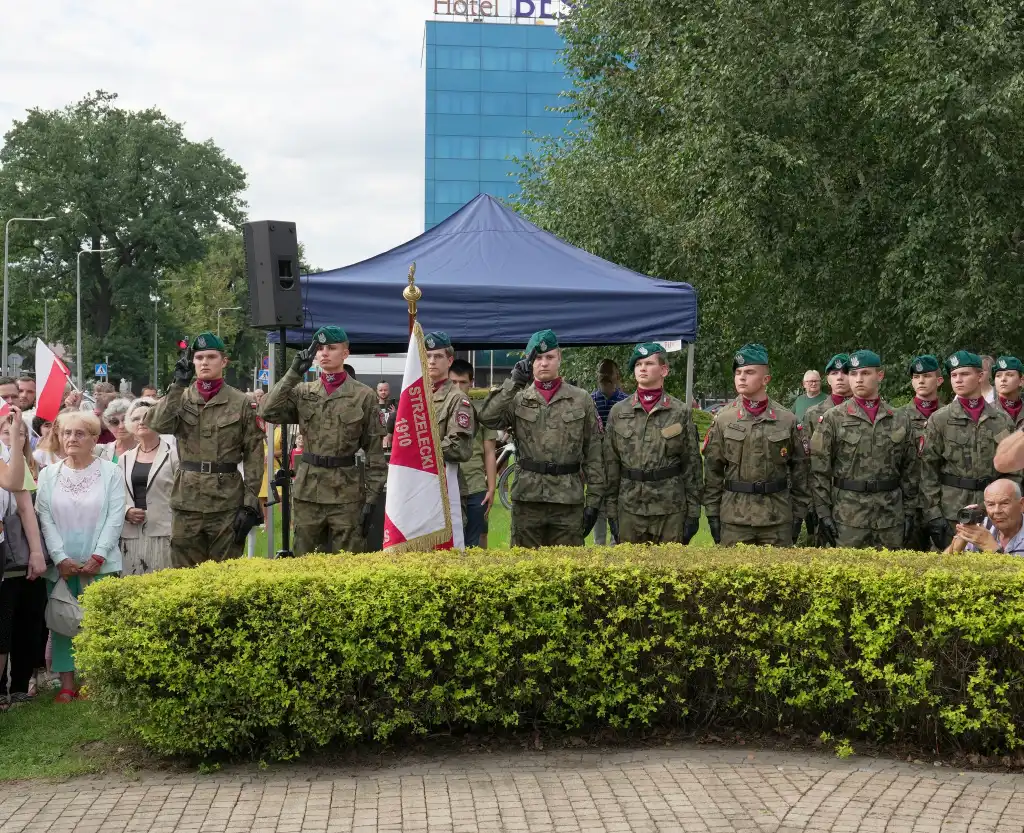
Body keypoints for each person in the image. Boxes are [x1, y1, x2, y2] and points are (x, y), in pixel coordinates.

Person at [261, 326, 385, 555]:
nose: (324, 353)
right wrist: (293, 373)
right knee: (303, 557)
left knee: (348, 559)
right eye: (319, 349)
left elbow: (375, 451)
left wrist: (372, 497)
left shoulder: (363, 395)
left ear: (345, 353)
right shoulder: (302, 391)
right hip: (309, 488)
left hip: (346, 491)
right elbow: (267, 411)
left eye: (331, 348)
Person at [145, 332, 264, 567]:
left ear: (224, 361)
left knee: (225, 573)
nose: (204, 362)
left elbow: (254, 454)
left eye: (211, 357)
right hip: (187, 501)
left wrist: (250, 503)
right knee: (184, 573)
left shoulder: (241, 403)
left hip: (226, 500)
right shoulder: (181, 398)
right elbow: (157, 424)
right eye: (199, 358)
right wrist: (178, 384)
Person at [478, 329, 605, 547]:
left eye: (549, 357)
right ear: (528, 361)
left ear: (559, 358)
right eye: (537, 358)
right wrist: (513, 382)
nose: (543, 363)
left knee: (568, 570)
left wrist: (593, 502)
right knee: (526, 571)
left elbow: (594, 453)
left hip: (568, 501)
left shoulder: (580, 399)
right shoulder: (517, 398)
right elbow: (488, 418)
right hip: (528, 501)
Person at [35, 410, 125, 702]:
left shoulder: (111, 471)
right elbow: (44, 518)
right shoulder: (49, 474)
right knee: (64, 622)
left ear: (94, 439)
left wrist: (98, 557)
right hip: (63, 566)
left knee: (97, 624)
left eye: (79, 433)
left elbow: (115, 517)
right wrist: (60, 558)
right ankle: (66, 684)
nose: (71, 438)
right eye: (66, 433)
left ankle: (95, 680)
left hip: (100, 563)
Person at [702, 343, 810, 546]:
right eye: (738, 372)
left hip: (776, 519)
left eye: (749, 372)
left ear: (765, 379)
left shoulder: (787, 420)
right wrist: (712, 515)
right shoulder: (724, 420)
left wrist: (798, 515)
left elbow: (801, 473)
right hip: (735, 519)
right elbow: (712, 472)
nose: (741, 377)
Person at [810, 350, 918, 549]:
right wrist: (823, 513)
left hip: (890, 516)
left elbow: (910, 470)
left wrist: (910, 511)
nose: (858, 379)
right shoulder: (833, 418)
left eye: (865, 373)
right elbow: (819, 470)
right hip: (848, 516)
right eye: (853, 374)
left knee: (889, 574)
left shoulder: (899, 418)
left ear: (880, 375)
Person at [604, 343, 703, 544]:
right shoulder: (619, 412)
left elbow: (692, 465)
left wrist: (693, 512)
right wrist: (611, 511)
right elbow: (610, 465)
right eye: (638, 364)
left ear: (664, 370)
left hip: (670, 508)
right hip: (630, 507)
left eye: (649, 363)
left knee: (670, 572)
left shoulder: (680, 412)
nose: (642, 368)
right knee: (629, 572)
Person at [921, 350, 1020, 550]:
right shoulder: (939, 420)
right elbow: (927, 471)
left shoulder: (1001, 420)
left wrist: (1007, 507)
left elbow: (1014, 471)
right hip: (951, 511)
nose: (958, 380)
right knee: (948, 570)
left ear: (981, 376)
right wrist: (933, 515)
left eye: (965, 374)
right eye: (954, 375)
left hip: (993, 512)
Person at [0, 420, 47, 711]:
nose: (12, 437)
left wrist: (37, 552)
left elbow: (25, 508)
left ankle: (17, 687)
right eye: (6, 431)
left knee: (19, 622)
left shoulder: (12, 464)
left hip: (12, 553)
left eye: (18, 432)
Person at [118, 398, 178, 575]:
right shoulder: (124, 459)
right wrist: (126, 510)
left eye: (147, 416)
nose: (141, 422)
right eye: (136, 418)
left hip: (165, 533)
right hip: (131, 534)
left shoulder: (175, 456)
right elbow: (115, 496)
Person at [898, 354, 944, 550]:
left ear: (939, 380)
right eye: (916, 377)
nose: (921, 381)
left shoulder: (950, 416)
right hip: (907, 505)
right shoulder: (897, 417)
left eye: (926, 376)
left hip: (942, 503)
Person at [450, 359, 497, 548]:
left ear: (471, 382)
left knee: (476, 542)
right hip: (450, 486)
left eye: (462, 382)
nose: (458, 387)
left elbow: (489, 452)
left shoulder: (481, 411)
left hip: (476, 486)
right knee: (451, 544)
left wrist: (492, 488)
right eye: (453, 382)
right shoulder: (440, 408)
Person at [591, 358, 629, 545]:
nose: (605, 376)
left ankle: (616, 543)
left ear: (617, 376)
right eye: (601, 373)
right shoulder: (589, 401)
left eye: (609, 373)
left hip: (620, 465)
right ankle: (599, 545)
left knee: (618, 504)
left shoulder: (626, 402)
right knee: (598, 505)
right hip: (596, 464)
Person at [945, 479, 1024, 556]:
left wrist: (991, 548)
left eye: (1004, 503)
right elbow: (942, 564)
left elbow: (1016, 569)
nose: (996, 511)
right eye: (991, 504)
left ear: (1021, 504)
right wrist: (961, 537)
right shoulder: (982, 525)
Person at [96, 397, 137, 462]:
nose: (121, 426)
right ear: (108, 426)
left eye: (125, 420)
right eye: (114, 422)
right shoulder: (100, 451)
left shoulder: (145, 449)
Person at [992, 356, 1024, 429]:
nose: (1003, 379)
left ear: (1021, 381)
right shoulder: (984, 412)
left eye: (1010, 375)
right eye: (998, 376)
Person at [376, 380, 397, 451]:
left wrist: (395, 414)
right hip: (376, 445)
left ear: (389, 391)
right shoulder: (372, 405)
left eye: (385, 390)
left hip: (393, 445)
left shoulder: (396, 405)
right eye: (380, 390)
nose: (383, 392)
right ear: (377, 391)